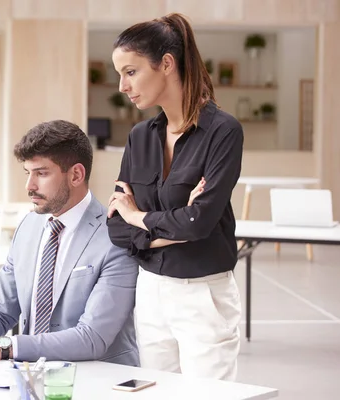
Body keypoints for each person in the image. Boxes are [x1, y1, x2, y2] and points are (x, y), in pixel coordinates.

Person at [0, 120, 140, 366]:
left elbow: (92, 338)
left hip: (100, 378)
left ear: (76, 175)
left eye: (41, 173)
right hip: (31, 371)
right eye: (27, 173)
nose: (29, 186)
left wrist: (3, 348)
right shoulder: (29, 226)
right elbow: (1, 310)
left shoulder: (116, 237)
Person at [106, 13, 243, 381]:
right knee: (156, 389)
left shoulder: (223, 132)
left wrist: (140, 218)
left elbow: (200, 222)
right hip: (150, 290)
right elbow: (116, 228)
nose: (122, 86)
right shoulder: (139, 137)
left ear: (166, 64)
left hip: (202, 294)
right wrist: (173, 222)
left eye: (131, 72)